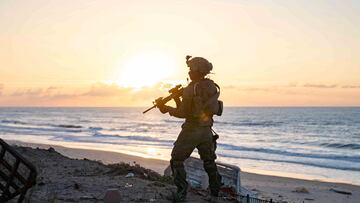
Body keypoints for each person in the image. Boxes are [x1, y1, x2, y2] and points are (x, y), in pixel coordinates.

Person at [158, 56, 222, 201]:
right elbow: (197, 107)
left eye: (191, 69)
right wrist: (177, 98)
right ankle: (215, 193)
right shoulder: (211, 86)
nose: (189, 72)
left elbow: (183, 113)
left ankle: (181, 193)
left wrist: (166, 108)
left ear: (197, 70)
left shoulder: (190, 88)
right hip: (206, 130)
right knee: (209, 162)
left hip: (191, 130)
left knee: (176, 160)